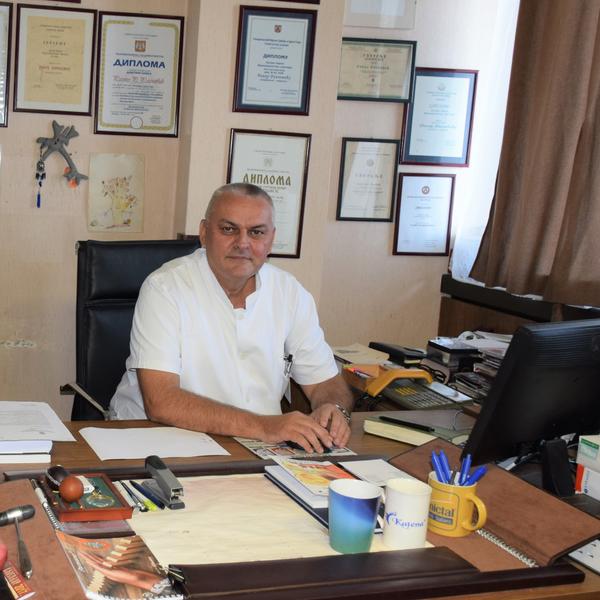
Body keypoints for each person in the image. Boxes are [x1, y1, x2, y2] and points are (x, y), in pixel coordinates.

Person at [110, 183, 353, 451]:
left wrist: (334, 408)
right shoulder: (165, 288)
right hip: (156, 440)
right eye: (228, 229)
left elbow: (325, 381)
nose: (243, 243)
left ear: (271, 239)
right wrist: (266, 426)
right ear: (204, 233)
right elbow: (162, 402)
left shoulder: (290, 293)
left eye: (256, 232)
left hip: (256, 446)